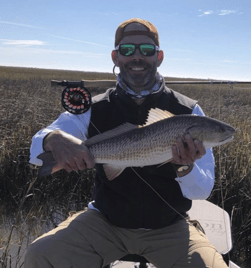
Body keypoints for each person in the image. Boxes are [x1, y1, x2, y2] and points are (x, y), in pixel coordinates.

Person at [25, 18, 228, 268]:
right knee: (41, 254)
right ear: (115, 57)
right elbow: (37, 152)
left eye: (146, 50)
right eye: (127, 50)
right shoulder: (94, 107)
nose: (137, 57)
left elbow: (202, 191)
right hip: (104, 223)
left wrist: (185, 168)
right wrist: (52, 139)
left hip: (170, 226)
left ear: (159, 56)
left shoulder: (189, 110)